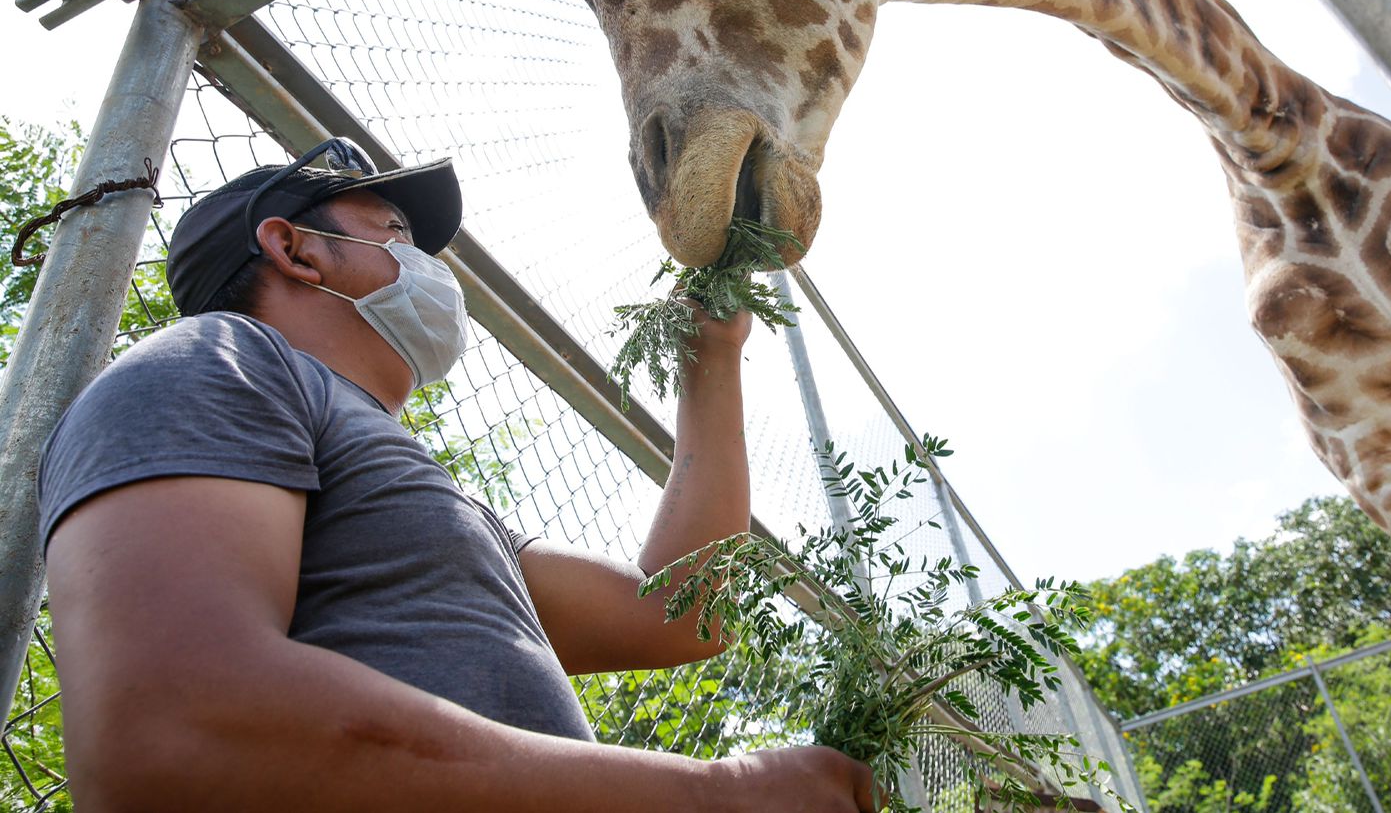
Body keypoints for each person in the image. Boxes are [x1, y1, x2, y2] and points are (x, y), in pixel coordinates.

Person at [37, 139, 877, 811]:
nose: (433, 265)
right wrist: (714, 796)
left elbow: (682, 615)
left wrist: (711, 365)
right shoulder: (217, 362)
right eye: (395, 235)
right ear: (293, 250)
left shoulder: (424, 490)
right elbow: (175, 730)